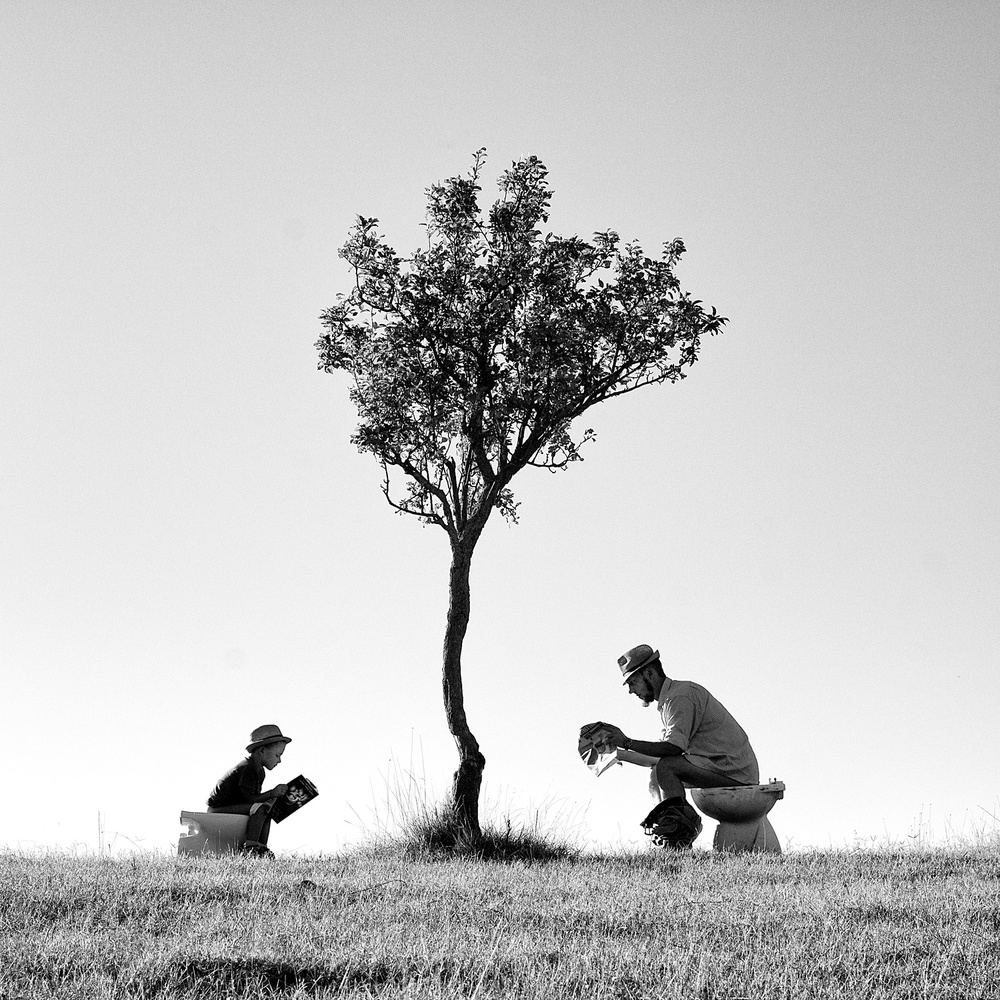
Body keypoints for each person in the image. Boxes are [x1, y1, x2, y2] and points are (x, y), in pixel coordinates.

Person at [601, 644, 760, 849]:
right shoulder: (671, 699)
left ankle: (676, 838)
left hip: (736, 773)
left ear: (649, 674)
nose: (631, 690)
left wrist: (627, 742)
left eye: (633, 682)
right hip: (722, 768)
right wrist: (618, 753)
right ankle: (666, 832)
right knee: (657, 773)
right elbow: (659, 758)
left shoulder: (679, 697)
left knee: (666, 767)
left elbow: (672, 750)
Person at [207, 724, 291, 856]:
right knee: (261, 808)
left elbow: (253, 799)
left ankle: (261, 847)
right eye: (277, 755)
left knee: (267, 809)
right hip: (219, 809)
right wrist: (271, 793)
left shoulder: (259, 771)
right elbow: (249, 798)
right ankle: (251, 847)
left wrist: (272, 799)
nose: (279, 760)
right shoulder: (248, 768)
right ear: (262, 750)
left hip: (235, 806)